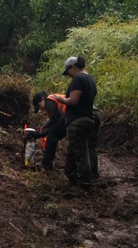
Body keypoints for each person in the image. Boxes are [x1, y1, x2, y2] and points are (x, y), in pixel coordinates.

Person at [54, 55, 97, 187]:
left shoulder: (79, 78)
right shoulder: (90, 79)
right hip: (89, 119)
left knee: (80, 152)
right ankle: (71, 176)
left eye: (68, 72)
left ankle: (85, 181)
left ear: (73, 67)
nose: (68, 75)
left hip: (77, 121)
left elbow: (73, 101)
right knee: (75, 148)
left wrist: (60, 99)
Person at [31, 91, 66, 171]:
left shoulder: (49, 100)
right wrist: (43, 131)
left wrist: (44, 128)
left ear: (43, 99)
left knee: (52, 135)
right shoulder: (50, 103)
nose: (40, 109)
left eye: (39, 106)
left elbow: (55, 118)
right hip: (73, 115)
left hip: (71, 115)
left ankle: (46, 164)